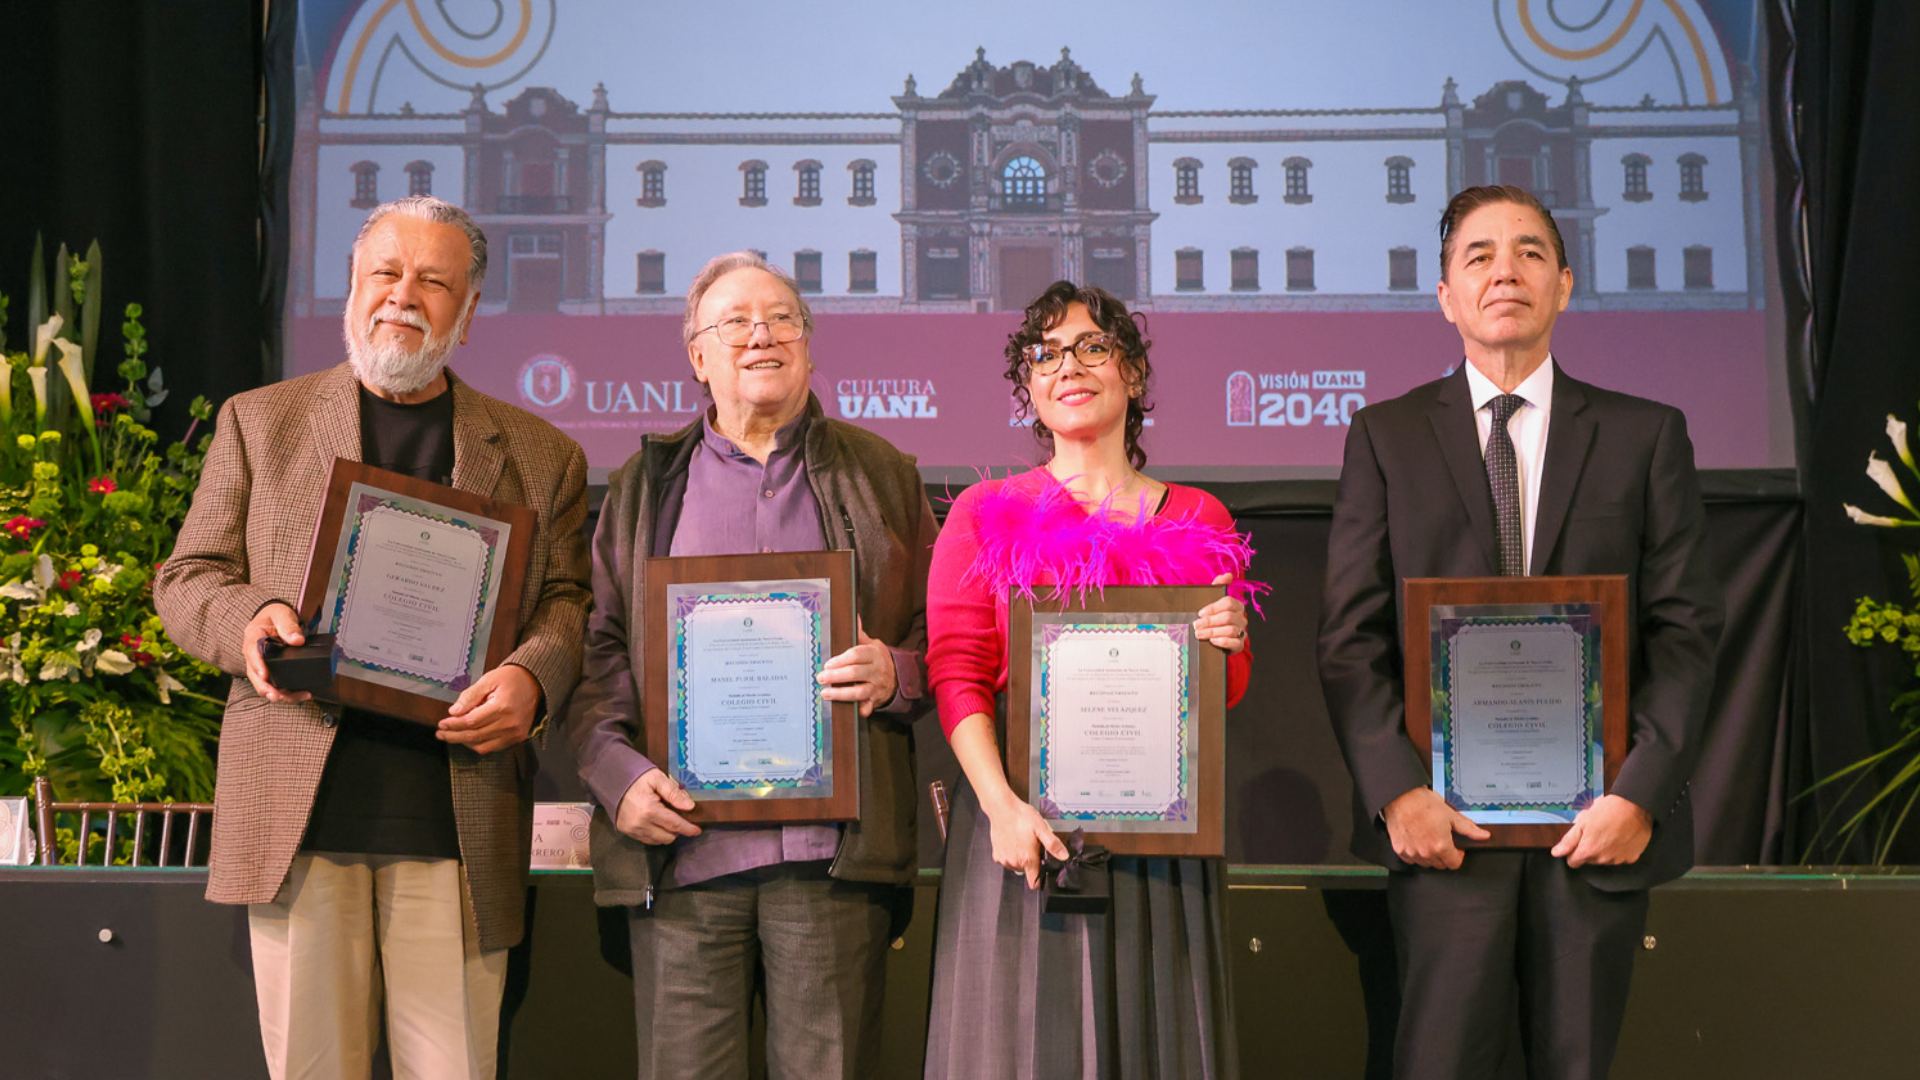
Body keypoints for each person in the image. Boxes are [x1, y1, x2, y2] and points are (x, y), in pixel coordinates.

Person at [154, 194, 591, 1079]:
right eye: (384, 273)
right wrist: (248, 622)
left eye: (434, 281)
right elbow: (186, 579)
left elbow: (566, 600)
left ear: (467, 317)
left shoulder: (543, 453)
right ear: (350, 290)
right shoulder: (258, 421)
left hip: (455, 815)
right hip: (300, 814)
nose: (403, 295)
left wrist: (535, 677)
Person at [1316, 184, 1723, 1079]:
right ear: (1445, 296)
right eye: (1480, 256)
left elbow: (1688, 632)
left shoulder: (1645, 435)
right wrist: (1398, 794)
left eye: (1532, 252)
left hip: (1597, 833)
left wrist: (1639, 794)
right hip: (1445, 834)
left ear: (1567, 286)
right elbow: (1350, 636)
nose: (1507, 270)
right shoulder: (1384, 436)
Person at [566, 251, 937, 1079]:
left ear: (809, 345)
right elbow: (598, 663)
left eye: (781, 319)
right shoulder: (640, 490)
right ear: (697, 355)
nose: (760, 335)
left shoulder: (884, 475)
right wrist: (618, 776)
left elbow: (943, 643)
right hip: (685, 855)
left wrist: (896, 673)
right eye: (734, 322)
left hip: (831, 862)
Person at [922, 280, 1256, 1079]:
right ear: (1029, 388)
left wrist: (1228, 639)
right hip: (1019, 833)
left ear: (1133, 373)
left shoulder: (1198, 517)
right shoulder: (983, 511)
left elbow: (1228, 690)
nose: (1068, 366)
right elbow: (957, 672)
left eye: (1093, 347)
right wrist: (1001, 807)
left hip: (1159, 840)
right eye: (1046, 354)